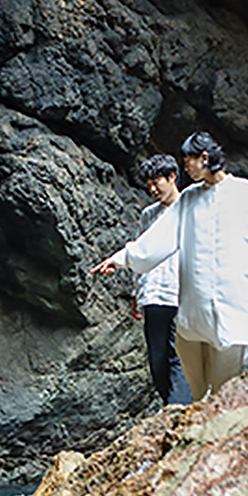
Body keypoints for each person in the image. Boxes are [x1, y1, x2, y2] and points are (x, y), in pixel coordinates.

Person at [90, 132, 248, 401]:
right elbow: (156, 241)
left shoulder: (243, 192)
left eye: (188, 162)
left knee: (224, 388)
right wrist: (120, 259)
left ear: (204, 158)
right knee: (194, 386)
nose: (185, 168)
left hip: (231, 307)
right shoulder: (188, 199)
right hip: (194, 312)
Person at [91, 155, 191, 405]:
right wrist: (137, 293)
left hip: (183, 294)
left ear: (172, 178)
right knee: (157, 362)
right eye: (148, 185)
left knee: (179, 356)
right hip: (153, 295)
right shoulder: (149, 215)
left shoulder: (190, 209)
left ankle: (177, 412)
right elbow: (142, 251)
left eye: (157, 182)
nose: (153, 189)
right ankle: (175, 405)